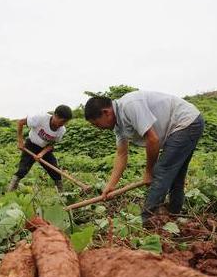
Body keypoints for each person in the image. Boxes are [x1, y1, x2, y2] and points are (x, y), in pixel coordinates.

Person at [84, 90, 204, 226]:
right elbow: (121, 154)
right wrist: (111, 185)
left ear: (106, 112)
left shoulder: (129, 105)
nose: (97, 128)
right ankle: (174, 216)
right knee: (175, 175)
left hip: (186, 122)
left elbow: (153, 140)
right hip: (185, 124)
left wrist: (149, 172)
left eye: (96, 123)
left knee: (161, 171)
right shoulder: (118, 125)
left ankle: (147, 222)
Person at [7, 105, 73, 192]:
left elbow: (51, 144)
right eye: (62, 121)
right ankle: (10, 191)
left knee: (55, 171)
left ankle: (62, 194)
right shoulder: (40, 118)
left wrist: (41, 154)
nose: (63, 125)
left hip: (45, 149)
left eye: (65, 122)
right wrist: (20, 141)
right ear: (55, 115)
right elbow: (20, 122)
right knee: (23, 169)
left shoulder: (61, 130)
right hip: (31, 145)